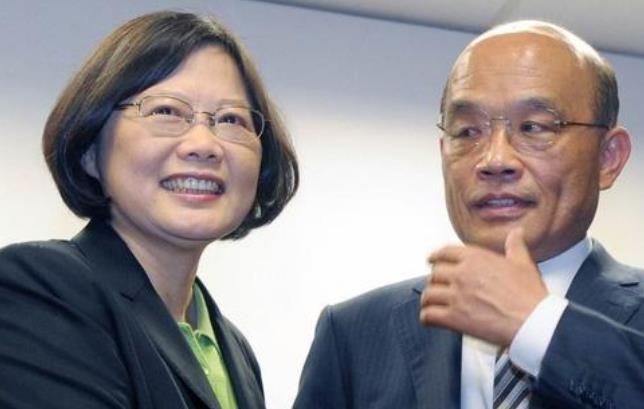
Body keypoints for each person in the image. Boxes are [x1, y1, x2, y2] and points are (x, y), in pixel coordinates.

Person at [294, 20, 644, 409]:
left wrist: (538, 326)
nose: (494, 160)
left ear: (608, 158)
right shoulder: (352, 334)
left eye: (533, 127)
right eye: (467, 132)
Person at [0, 10, 298, 409]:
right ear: (91, 151)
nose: (204, 145)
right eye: (166, 111)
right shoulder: (43, 288)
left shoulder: (235, 351)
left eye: (231, 120)